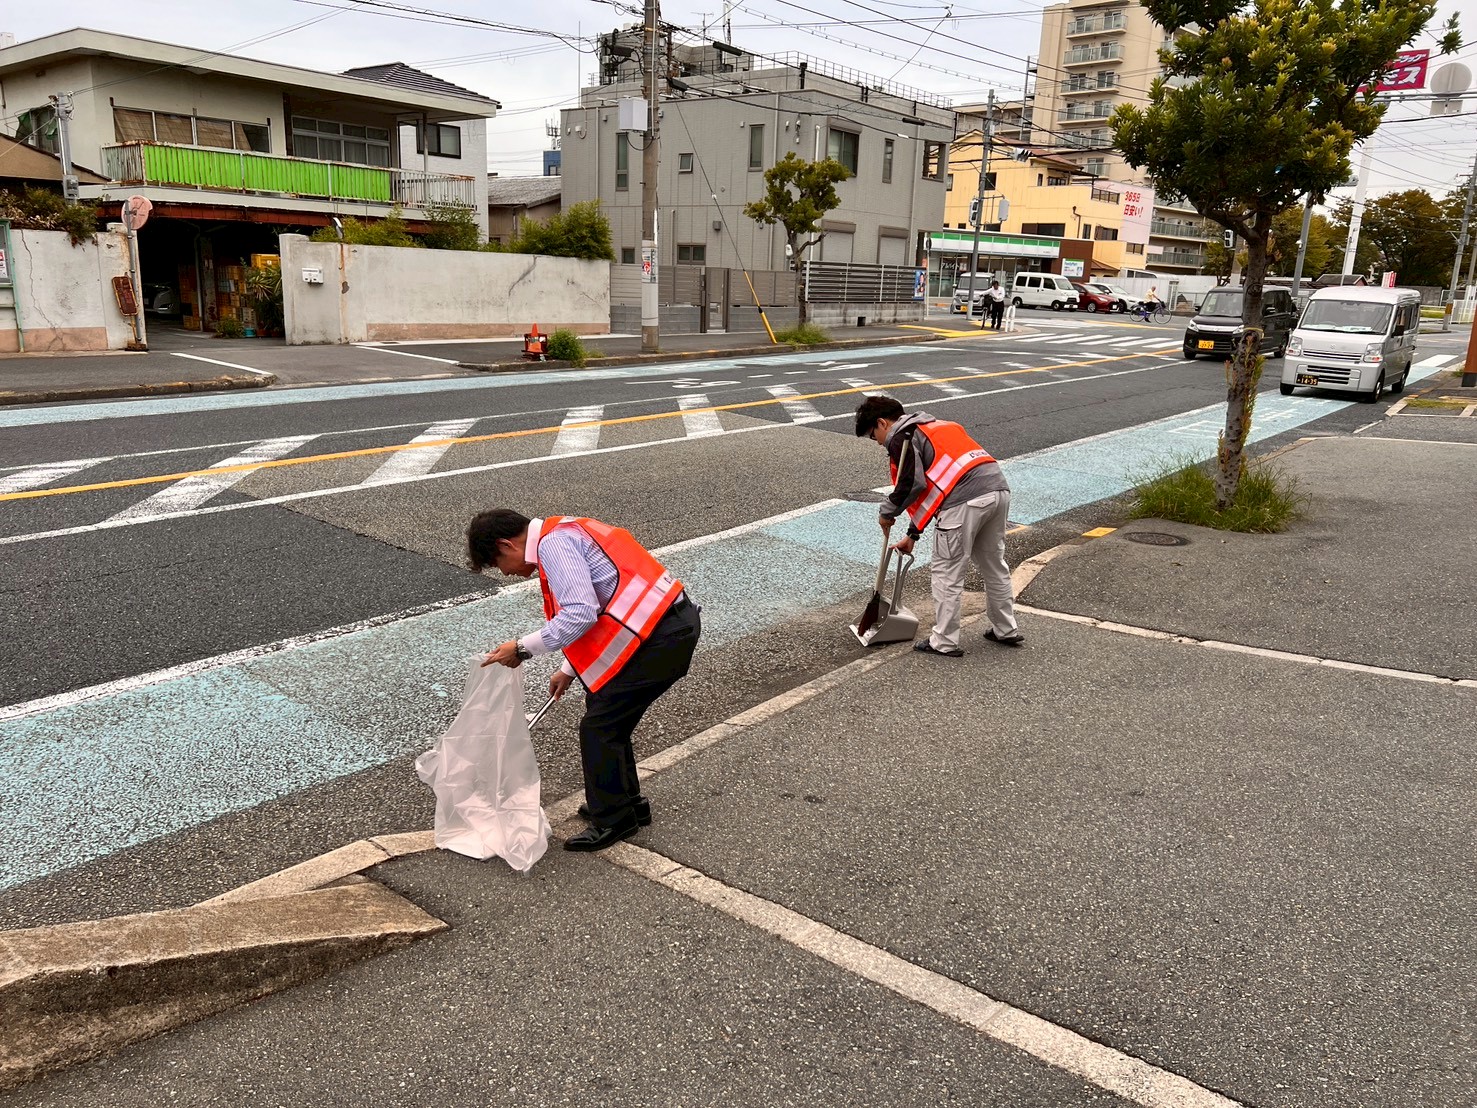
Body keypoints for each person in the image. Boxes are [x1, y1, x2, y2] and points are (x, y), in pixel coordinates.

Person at [468, 510, 701, 852]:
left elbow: (580, 612)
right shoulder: (565, 529)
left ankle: (615, 819)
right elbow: (608, 603)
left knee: (600, 727)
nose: (506, 573)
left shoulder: (553, 546)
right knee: (607, 714)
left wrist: (521, 648)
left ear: (506, 544)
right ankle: (626, 803)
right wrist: (569, 669)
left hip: (659, 638)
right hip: (662, 627)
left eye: (499, 563)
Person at [855, 396, 1022, 657]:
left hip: (964, 500)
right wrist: (912, 534)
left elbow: (912, 484)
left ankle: (943, 642)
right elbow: (937, 487)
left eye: (872, 435)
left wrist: (887, 512)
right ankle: (1006, 630)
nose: (877, 442)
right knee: (994, 566)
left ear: (882, 423)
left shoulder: (902, 437)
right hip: (997, 491)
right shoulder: (937, 426)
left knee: (946, 573)